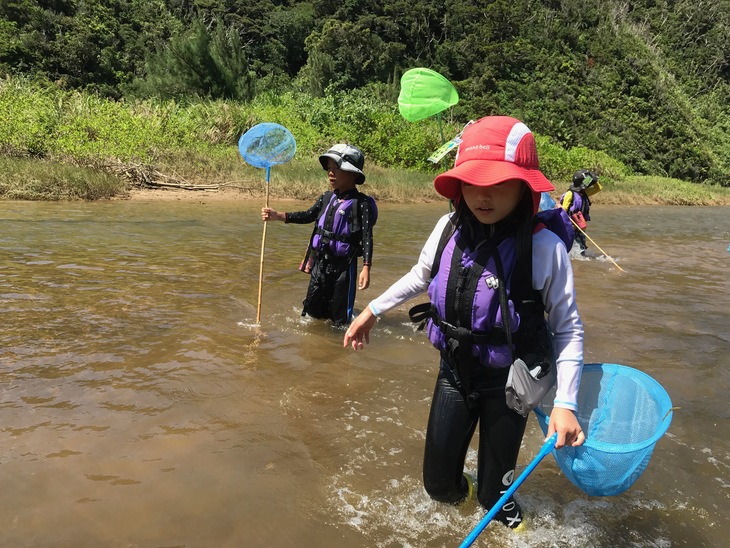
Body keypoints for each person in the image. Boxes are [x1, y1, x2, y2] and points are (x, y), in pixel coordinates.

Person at [343, 116, 585, 529]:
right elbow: (420, 276)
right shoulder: (447, 227)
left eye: (496, 183)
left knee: (497, 499)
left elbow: (568, 329)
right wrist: (372, 311)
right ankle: (469, 492)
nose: (481, 195)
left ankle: (508, 518)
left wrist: (566, 403)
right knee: (438, 487)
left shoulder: (544, 249)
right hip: (456, 371)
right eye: (472, 182)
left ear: (524, 186)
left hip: (510, 382)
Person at [261, 144, 376, 326]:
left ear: (353, 174)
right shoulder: (326, 198)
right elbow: (308, 215)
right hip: (320, 263)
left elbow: (367, 236)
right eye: (329, 168)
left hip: (344, 267)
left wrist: (366, 267)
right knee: (312, 312)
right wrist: (278, 216)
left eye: (336, 168)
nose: (331, 173)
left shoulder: (361, 204)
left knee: (339, 320)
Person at [560, 169, 600, 255]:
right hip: (571, 225)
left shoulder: (584, 193)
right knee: (570, 245)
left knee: (581, 246)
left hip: (580, 224)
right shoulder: (570, 194)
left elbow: (598, 188)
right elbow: (564, 209)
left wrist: (592, 179)